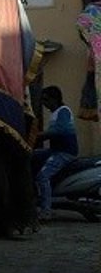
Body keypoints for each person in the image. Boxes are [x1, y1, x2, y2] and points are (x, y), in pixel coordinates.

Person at [32, 85, 78, 221]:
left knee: (42, 176)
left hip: (64, 152)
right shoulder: (56, 113)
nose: (44, 103)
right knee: (32, 155)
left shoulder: (63, 111)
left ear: (55, 99)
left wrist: (38, 136)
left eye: (46, 100)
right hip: (55, 150)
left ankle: (46, 211)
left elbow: (58, 131)